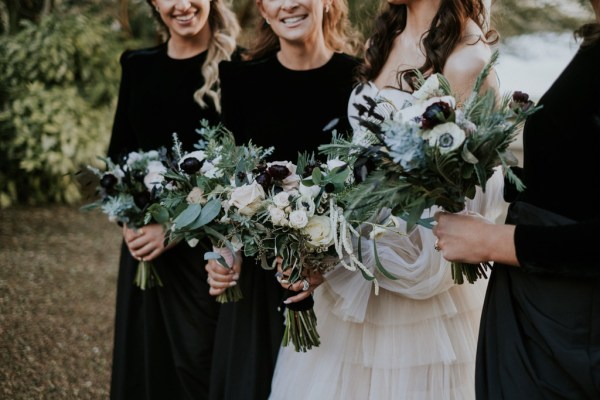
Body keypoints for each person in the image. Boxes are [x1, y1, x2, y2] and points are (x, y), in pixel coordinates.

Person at [267, 1, 506, 399]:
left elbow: (472, 197)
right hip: (349, 280)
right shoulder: (386, 35)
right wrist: (319, 237)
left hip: (418, 291)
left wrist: (358, 246)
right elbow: (356, 160)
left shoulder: (468, 61)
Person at [432, 1, 600, 398]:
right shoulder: (593, 43)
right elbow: (577, 179)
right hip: (539, 304)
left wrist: (494, 242)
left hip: (577, 330)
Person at [204, 0, 361, 399]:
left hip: (339, 284)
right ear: (263, 8)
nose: (289, 3)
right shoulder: (241, 79)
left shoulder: (360, 79)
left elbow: (367, 188)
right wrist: (225, 252)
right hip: (258, 285)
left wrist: (324, 261)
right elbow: (227, 181)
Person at [106, 1, 240, 399]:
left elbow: (241, 172)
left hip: (206, 258)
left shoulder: (239, 68)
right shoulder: (137, 65)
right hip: (144, 250)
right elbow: (118, 155)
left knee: (197, 369)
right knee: (146, 373)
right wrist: (128, 219)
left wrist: (177, 227)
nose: (182, 5)